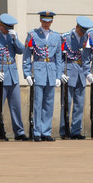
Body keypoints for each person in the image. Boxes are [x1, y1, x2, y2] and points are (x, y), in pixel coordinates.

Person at [22, 11, 63, 142]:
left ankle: (46, 132)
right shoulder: (32, 35)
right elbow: (27, 55)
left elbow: (58, 58)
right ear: (40, 20)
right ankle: (37, 132)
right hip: (38, 70)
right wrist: (27, 73)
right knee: (38, 103)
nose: (46, 24)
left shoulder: (56, 36)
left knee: (49, 104)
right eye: (44, 21)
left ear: (52, 21)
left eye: (49, 21)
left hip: (51, 71)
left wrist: (58, 75)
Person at [0, 13, 27, 141]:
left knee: (16, 106)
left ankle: (19, 132)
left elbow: (21, 51)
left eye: (11, 28)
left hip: (12, 74)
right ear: (0, 25)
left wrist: (16, 39)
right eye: (7, 28)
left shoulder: (12, 36)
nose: (9, 30)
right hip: (0, 75)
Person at [59, 16, 93, 140]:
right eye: (81, 30)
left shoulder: (87, 38)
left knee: (79, 104)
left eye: (84, 31)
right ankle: (64, 130)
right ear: (77, 27)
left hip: (81, 73)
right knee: (66, 103)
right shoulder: (65, 37)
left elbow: (88, 57)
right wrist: (60, 73)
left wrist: (88, 72)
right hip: (68, 72)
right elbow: (60, 57)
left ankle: (76, 130)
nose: (82, 33)